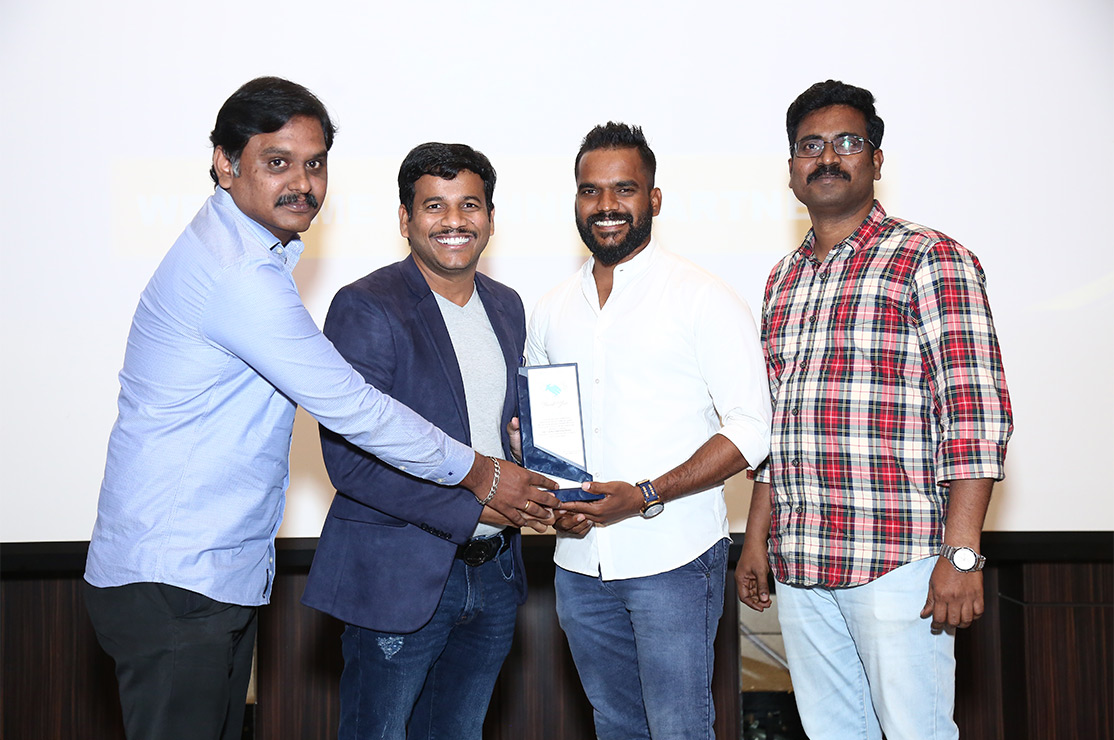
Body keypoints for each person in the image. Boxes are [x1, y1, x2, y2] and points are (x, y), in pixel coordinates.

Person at [83, 78, 556, 740]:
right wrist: (483, 475)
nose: (302, 183)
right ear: (225, 162)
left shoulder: (254, 257)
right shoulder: (239, 274)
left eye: (314, 164)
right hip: (176, 579)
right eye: (278, 162)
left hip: (210, 576)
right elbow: (353, 411)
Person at [735, 80, 1013, 740]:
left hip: (898, 562)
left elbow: (975, 413)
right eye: (810, 146)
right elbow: (779, 425)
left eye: (847, 142)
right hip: (802, 564)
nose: (827, 157)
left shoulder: (931, 257)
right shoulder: (782, 279)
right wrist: (755, 539)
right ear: (792, 168)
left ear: (877, 160)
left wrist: (962, 555)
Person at [528, 122, 772, 740]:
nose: (606, 205)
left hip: (673, 558)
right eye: (590, 190)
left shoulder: (704, 297)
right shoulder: (551, 308)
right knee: (614, 727)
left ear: (654, 199)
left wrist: (645, 494)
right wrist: (557, 505)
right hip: (580, 561)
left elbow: (751, 429)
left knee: (678, 729)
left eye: (624, 189)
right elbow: (545, 429)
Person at [302, 142, 541, 739]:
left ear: (491, 218)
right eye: (435, 206)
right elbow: (350, 463)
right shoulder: (365, 306)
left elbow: (501, 429)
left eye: (470, 205)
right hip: (399, 580)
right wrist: (473, 507)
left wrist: (528, 452)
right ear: (405, 219)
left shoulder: (508, 306)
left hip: (494, 575)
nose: (454, 220)